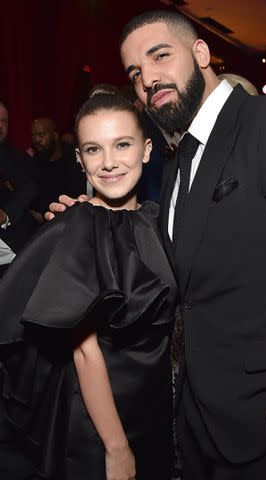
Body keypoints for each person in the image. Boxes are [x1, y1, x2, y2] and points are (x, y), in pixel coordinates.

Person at [47, 9, 266, 480]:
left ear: (199, 54)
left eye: (160, 56)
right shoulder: (177, 163)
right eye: (135, 72)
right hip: (193, 422)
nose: (149, 78)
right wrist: (88, 220)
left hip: (264, 421)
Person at [0, 89, 177, 479]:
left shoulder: (157, 220)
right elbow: (84, 351)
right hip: (100, 418)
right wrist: (116, 447)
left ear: (147, 150)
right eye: (94, 150)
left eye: (123, 145)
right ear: (79, 159)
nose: (110, 162)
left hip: (154, 406)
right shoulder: (79, 225)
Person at [0, 101, 38, 276]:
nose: (0, 126)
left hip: (14, 253)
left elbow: (29, 189)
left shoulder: (17, 158)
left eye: (4, 121)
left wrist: (5, 215)